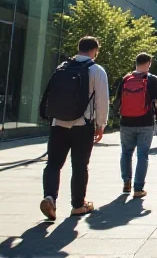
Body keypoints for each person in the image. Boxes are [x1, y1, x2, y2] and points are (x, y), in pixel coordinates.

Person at [40, 36, 109, 220]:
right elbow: (102, 101)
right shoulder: (96, 70)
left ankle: (49, 197)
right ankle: (78, 205)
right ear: (94, 50)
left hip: (58, 124)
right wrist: (101, 125)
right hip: (82, 124)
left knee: (53, 164)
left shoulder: (62, 67)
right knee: (80, 165)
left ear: (78, 48)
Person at [114, 53, 157, 199]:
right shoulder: (151, 79)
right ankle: (138, 188)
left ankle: (126, 182)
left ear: (136, 63)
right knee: (142, 155)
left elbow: (117, 101)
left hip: (126, 122)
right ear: (148, 63)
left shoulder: (125, 79)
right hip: (145, 122)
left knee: (126, 152)